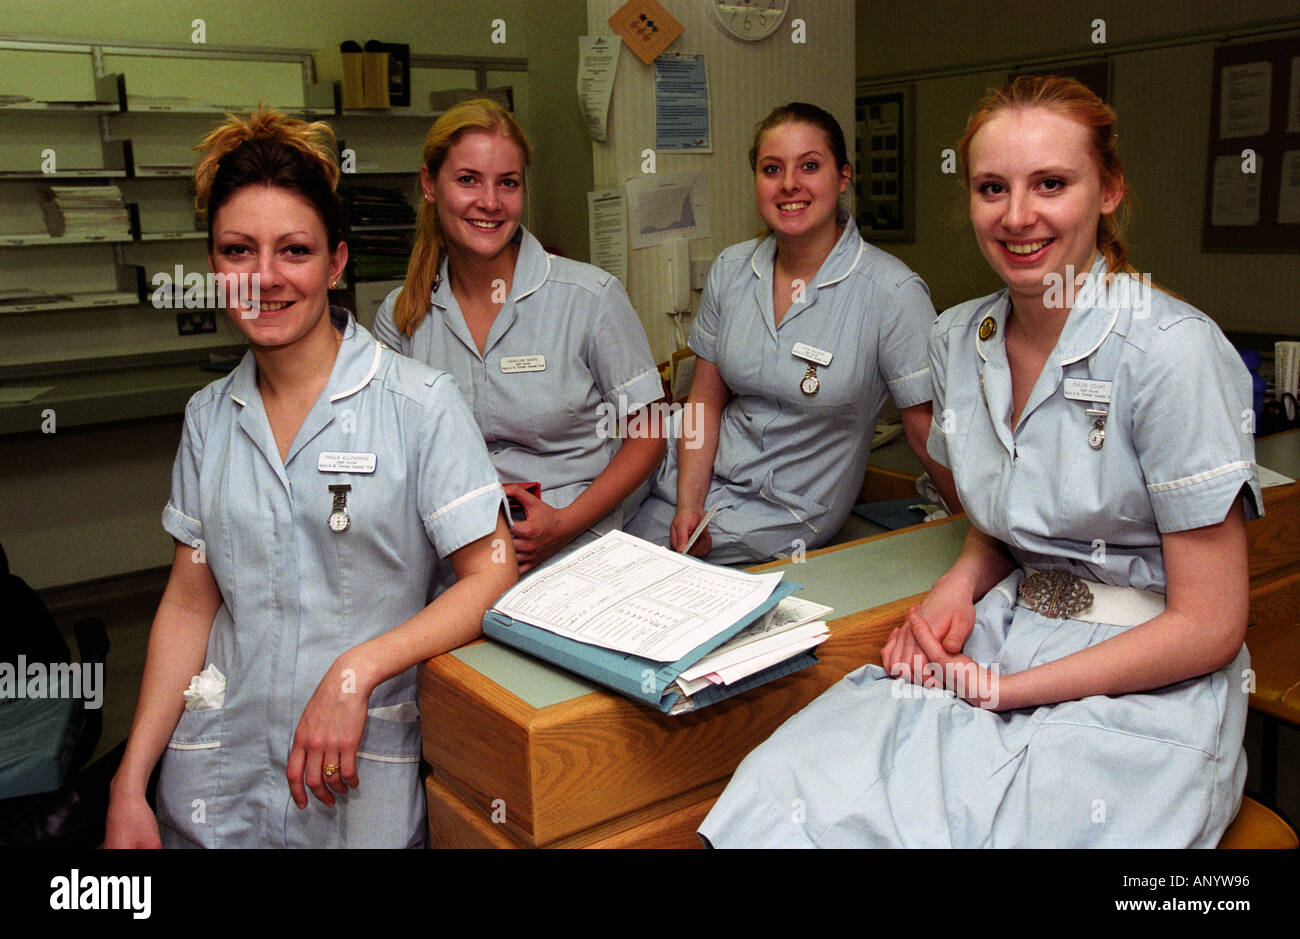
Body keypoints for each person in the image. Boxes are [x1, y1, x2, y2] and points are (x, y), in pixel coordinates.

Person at [698, 76, 1260, 848]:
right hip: (1003, 632)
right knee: (784, 787)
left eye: (1051, 184)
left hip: (1144, 683)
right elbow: (1004, 522)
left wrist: (1011, 691)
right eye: (992, 187)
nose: (1018, 215)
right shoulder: (962, 340)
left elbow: (1210, 624)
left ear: (1110, 190)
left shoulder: (1171, 352)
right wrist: (958, 587)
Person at [104, 110, 516, 848]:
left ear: (335, 264)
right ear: (213, 264)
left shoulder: (419, 405)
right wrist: (130, 779)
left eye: (293, 250)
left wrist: (357, 669)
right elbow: (191, 602)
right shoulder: (210, 417)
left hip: (354, 777)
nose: (264, 277)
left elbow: (491, 575)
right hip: (216, 775)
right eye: (238, 251)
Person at [624, 102, 957, 565]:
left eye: (810, 166)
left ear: (843, 177)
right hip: (684, 473)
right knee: (582, 535)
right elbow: (705, 400)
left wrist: (980, 546)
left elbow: (924, 434)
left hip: (779, 514)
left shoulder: (891, 293)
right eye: (772, 169)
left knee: (631, 576)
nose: (789, 185)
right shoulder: (733, 269)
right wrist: (688, 503)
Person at [373, 100, 665, 574]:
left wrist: (565, 524)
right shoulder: (402, 315)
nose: (490, 202)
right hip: (459, 556)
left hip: (581, 546)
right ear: (429, 185)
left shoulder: (588, 297)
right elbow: (394, 455)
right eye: (468, 179)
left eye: (507, 183)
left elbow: (649, 436)